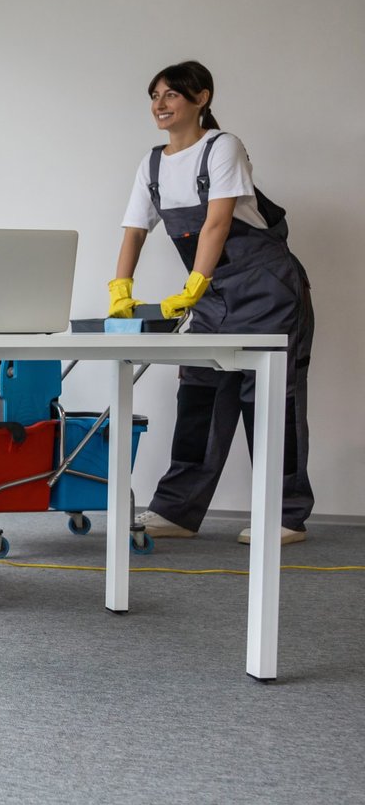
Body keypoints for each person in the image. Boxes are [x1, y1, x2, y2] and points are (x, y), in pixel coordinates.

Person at [109, 60, 313, 545]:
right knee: (198, 395)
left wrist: (196, 281)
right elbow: (135, 230)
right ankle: (179, 509)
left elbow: (218, 223)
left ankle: (284, 515)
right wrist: (120, 287)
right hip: (213, 298)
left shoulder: (223, 147)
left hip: (267, 290)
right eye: (154, 95)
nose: (160, 104)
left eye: (172, 94)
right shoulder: (152, 163)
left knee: (269, 400)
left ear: (201, 98)